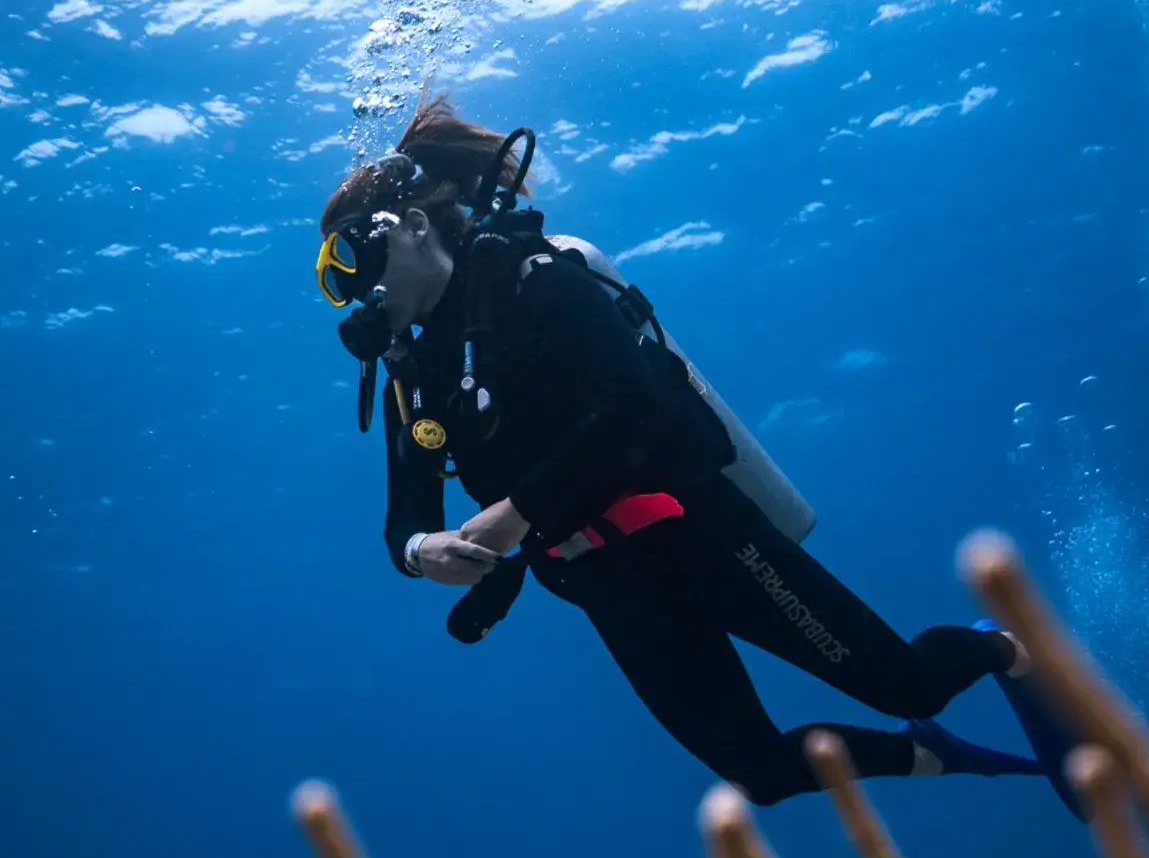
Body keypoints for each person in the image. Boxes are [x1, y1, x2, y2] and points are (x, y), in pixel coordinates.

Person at [315, 95, 1067, 810]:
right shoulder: (413, 377)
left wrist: (518, 510)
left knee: (909, 685)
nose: (352, 291)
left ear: (414, 225)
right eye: (332, 282)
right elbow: (404, 519)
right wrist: (423, 550)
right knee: (760, 773)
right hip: (606, 584)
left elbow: (635, 401)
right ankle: (929, 753)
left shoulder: (533, 279)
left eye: (354, 257)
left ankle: (1004, 649)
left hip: (702, 532)